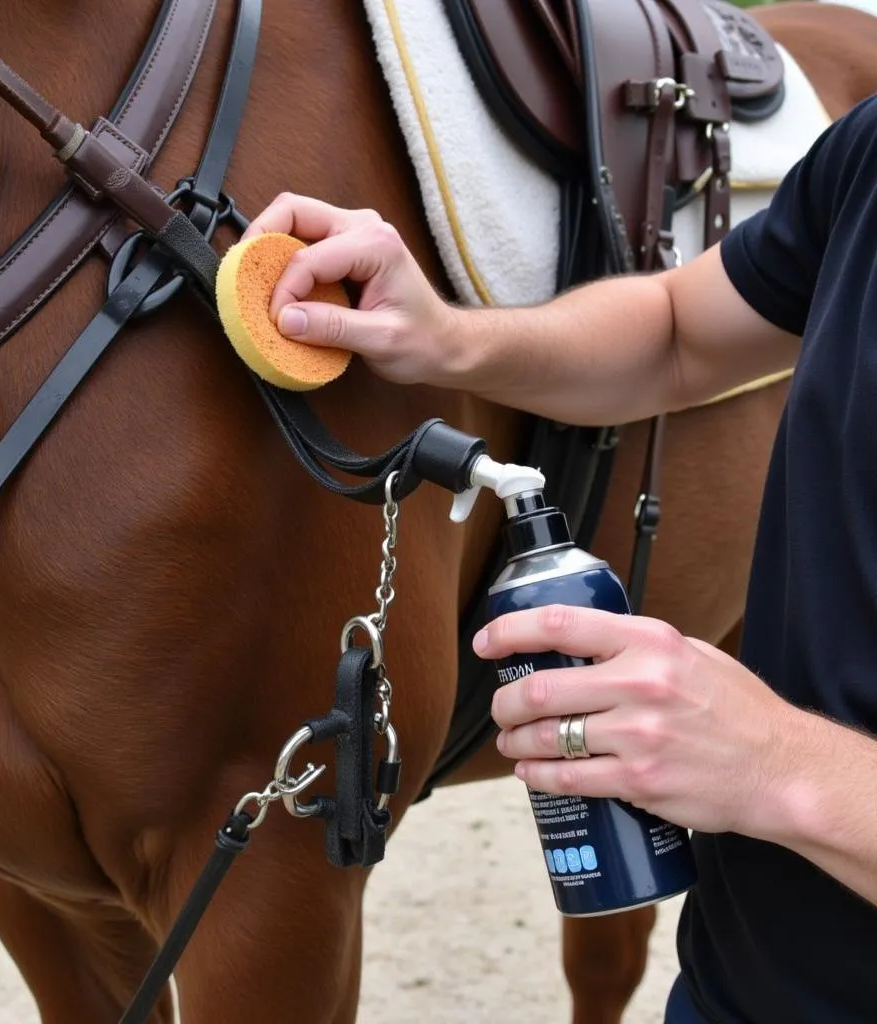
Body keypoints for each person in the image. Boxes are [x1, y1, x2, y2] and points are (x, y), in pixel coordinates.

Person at [242, 92, 877, 1023]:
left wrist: (778, 762)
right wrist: (445, 338)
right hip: (729, 990)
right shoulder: (865, 151)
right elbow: (676, 330)